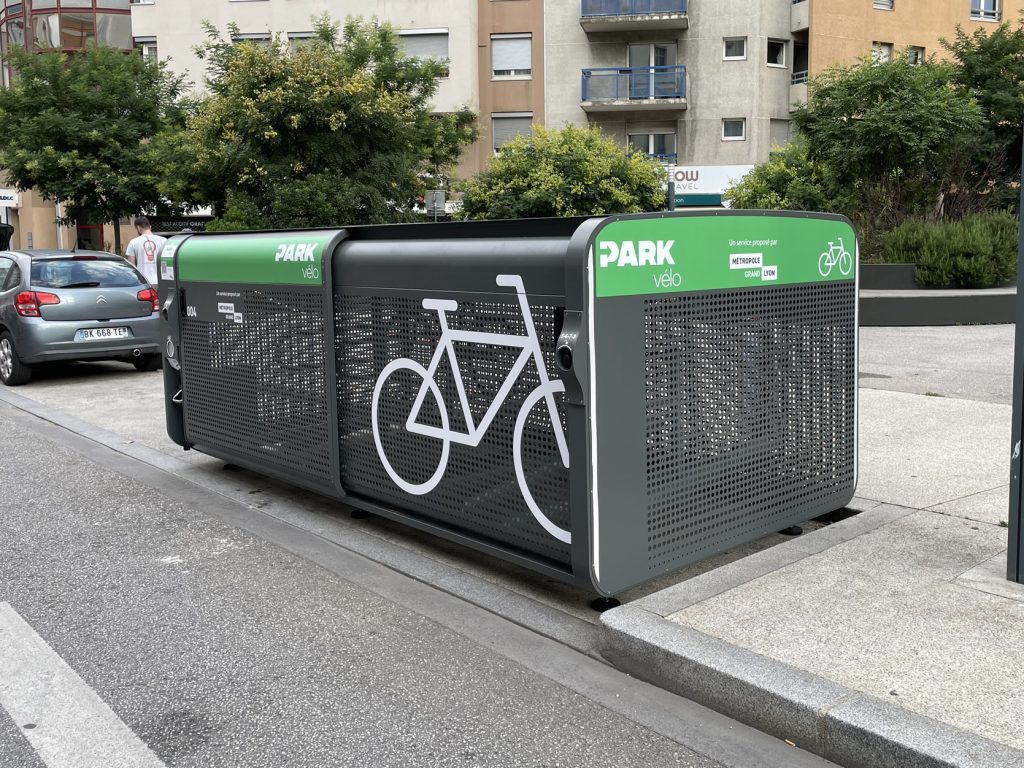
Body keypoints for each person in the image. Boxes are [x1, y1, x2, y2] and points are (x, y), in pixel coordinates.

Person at [125, 216, 167, 286]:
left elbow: (131, 265)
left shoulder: (133, 242)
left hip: (144, 282)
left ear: (138, 228)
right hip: (161, 281)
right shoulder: (164, 240)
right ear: (150, 227)